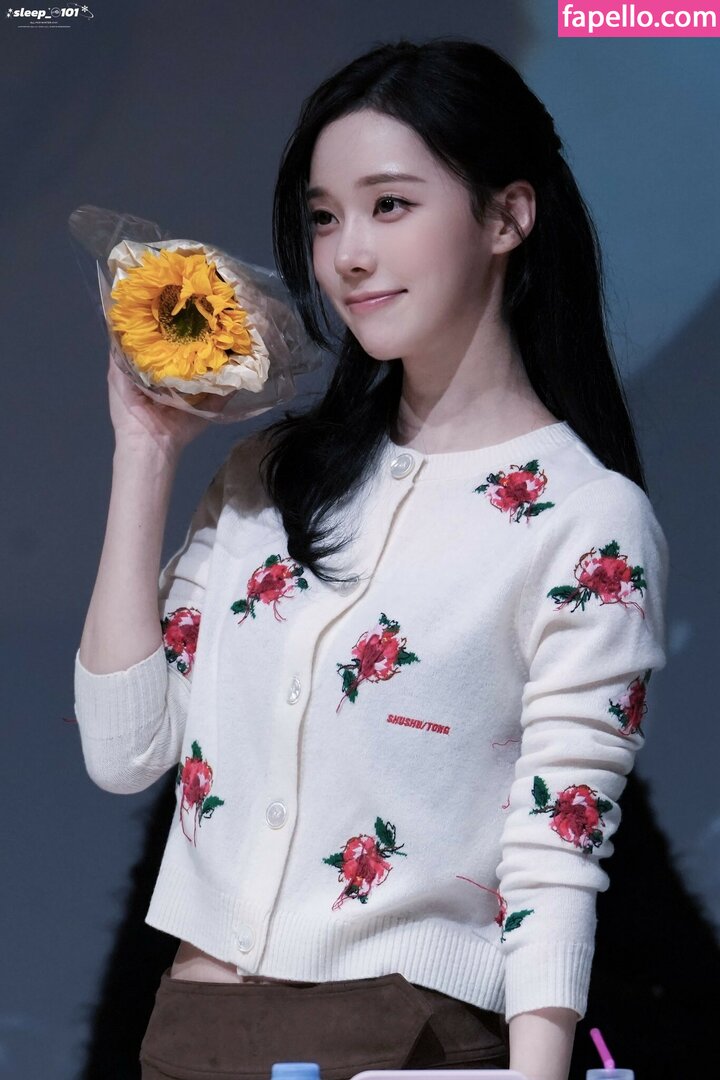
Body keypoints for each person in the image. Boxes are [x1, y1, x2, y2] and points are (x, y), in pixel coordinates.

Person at [73, 37, 669, 1080]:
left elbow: (557, 846)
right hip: (191, 1030)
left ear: (506, 216)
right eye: (323, 217)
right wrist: (146, 451)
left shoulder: (586, 520)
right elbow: (126, 752)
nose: (347, 254)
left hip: (408, 1039)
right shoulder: (272, 477)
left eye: (389, 205)